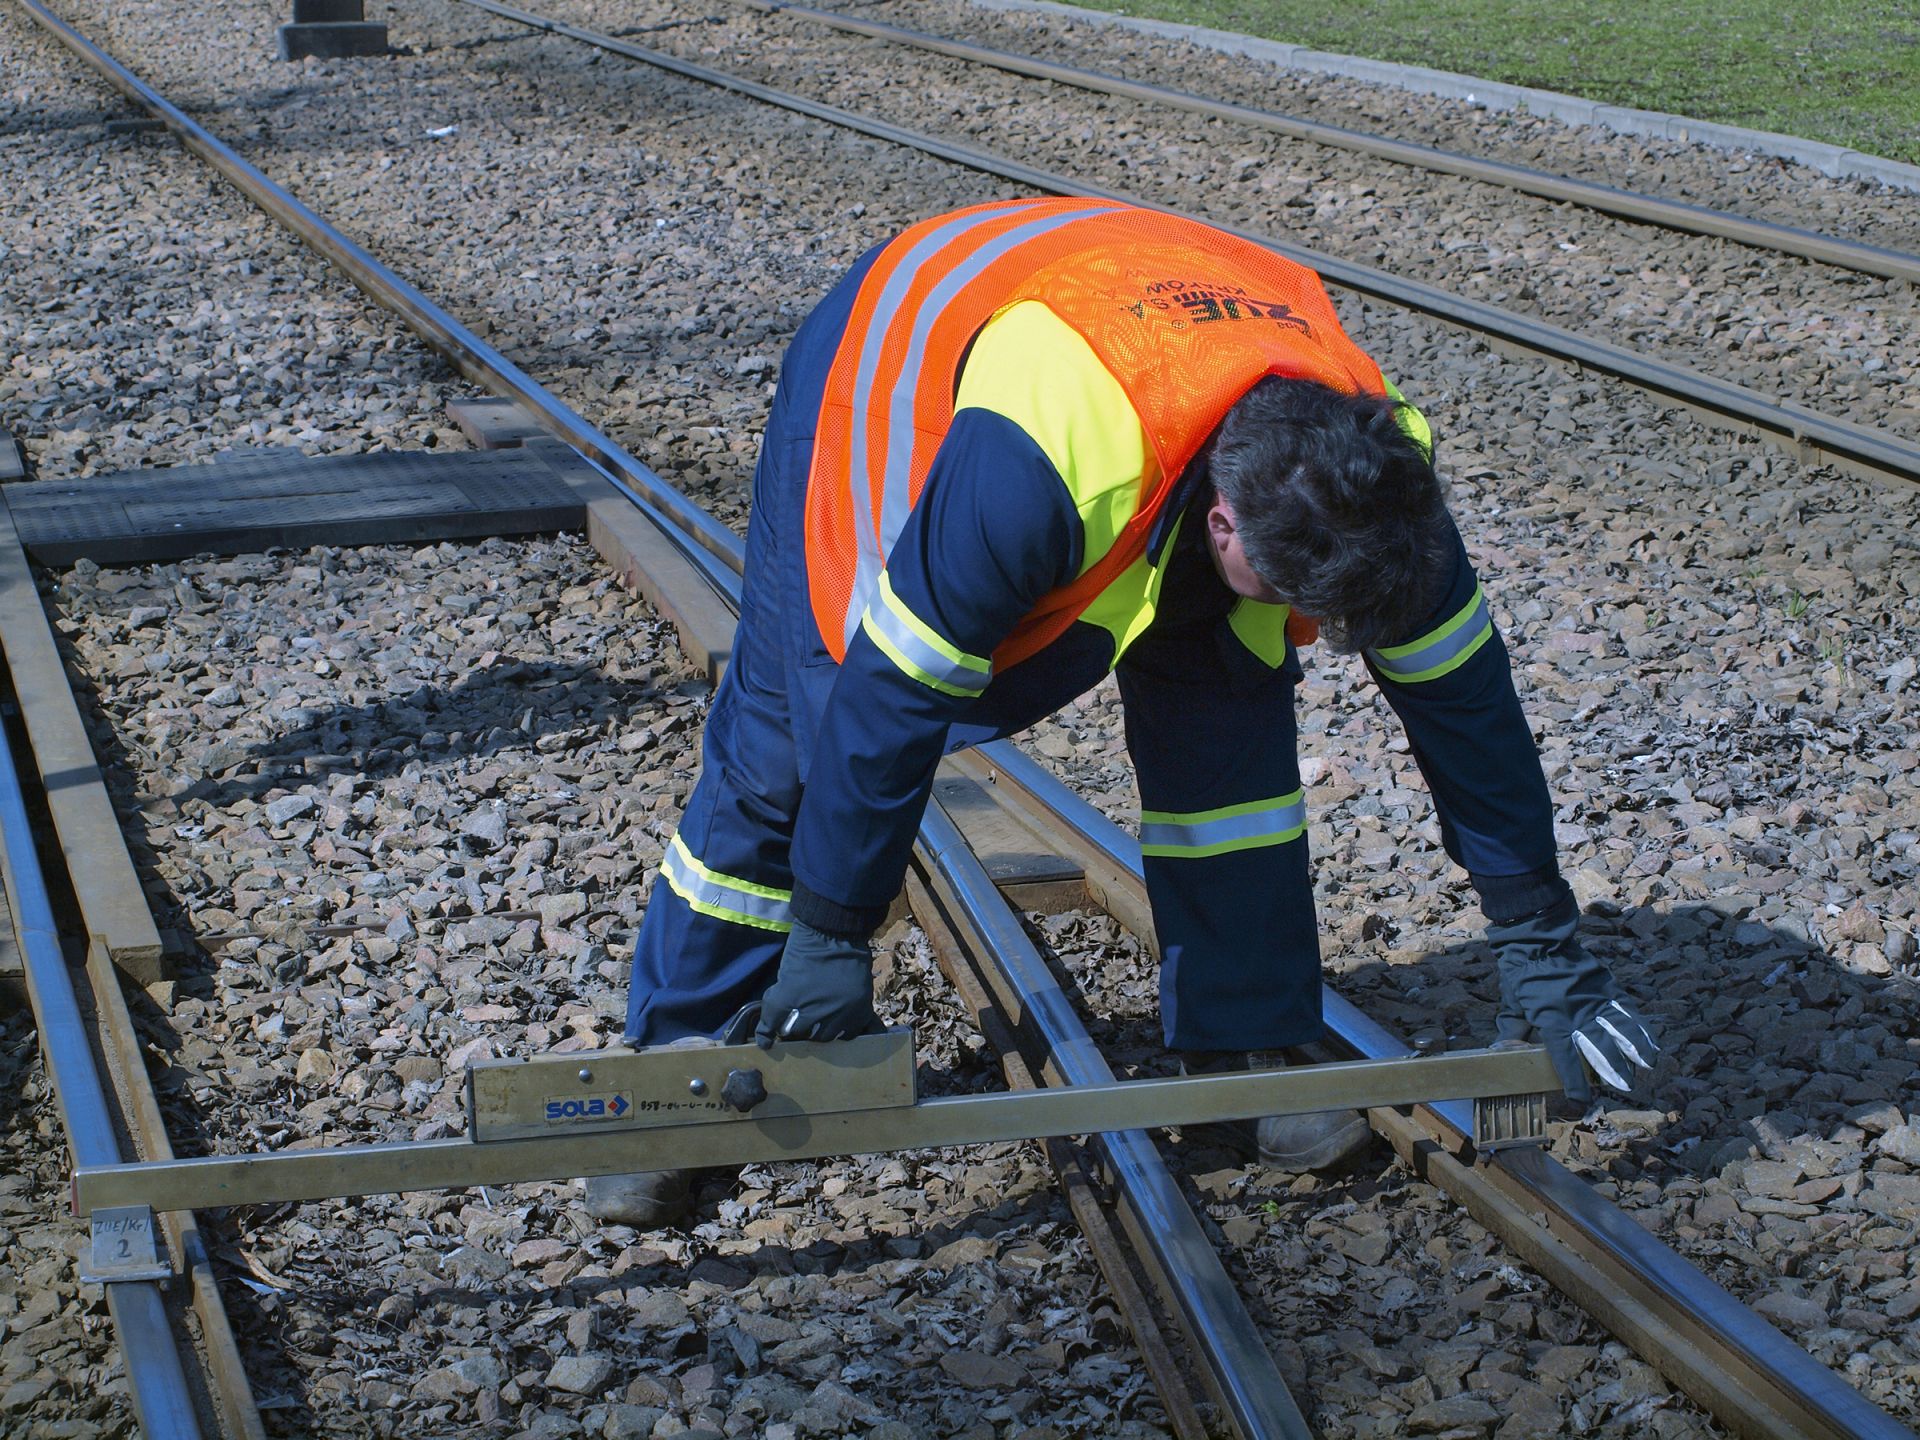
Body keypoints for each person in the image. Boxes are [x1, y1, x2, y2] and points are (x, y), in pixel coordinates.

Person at [586, 198, 1656, 1227]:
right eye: (1296, 598)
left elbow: (1466, 702)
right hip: (892, 361)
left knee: (1233, 708)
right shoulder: (1040, 460)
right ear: (1227, 522)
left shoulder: (1376, 477)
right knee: (793, 735)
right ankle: (683, 1064)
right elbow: (890, 698)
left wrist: (1540, 937)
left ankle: (1247, 1042)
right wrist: (831, 938)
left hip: (1153, 344)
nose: (1317, 633)